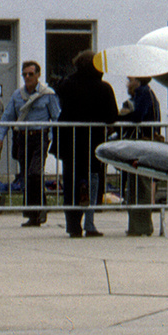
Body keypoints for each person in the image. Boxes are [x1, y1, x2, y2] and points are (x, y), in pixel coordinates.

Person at [55, 51, 118, 237]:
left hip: (71, 142)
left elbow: (60, 90)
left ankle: (73, 225)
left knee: (71, 183)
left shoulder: (67, 85)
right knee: (92, 181)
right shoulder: (104, 88)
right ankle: (90, 223)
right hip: (93, 142)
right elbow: (111, 117)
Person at [0, 61, 58, 225]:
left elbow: (56, 117)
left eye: (31, 74)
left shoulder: (48, 94)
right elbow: (7, 116)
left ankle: (39, 210)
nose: (27, 77)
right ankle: (33, 214)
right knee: (26, 175)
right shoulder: (17, 95)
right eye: (24, 74)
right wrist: (0, 138)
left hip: (40, 137)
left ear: (38, 75)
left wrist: (52, 137)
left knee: (35, 173)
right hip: (23, 138)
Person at [119, 76, 161, 236]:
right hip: (144, 142)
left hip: (143, 143)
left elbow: (138, 117)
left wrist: (121, 116)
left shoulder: (143, 92)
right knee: (136, 185)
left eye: (131, 79)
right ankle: (137, 225)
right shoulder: (145, 93)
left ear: (138, 81)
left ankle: (141, 226)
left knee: (140, 185)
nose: (128, 82)